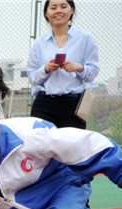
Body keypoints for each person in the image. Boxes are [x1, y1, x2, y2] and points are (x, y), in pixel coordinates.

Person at [26, 0, 100, 129]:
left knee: (72, 146)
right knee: (41, 146)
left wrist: (79, 67)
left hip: (73, 103)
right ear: (46, 14)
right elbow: (32, 77)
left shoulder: (85, 39)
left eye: (63, 6)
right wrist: (45, 69)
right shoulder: (38, 44)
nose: (58, 10)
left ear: (71, 11)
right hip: (44, 103)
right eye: (53, 7)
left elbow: (93, 71)